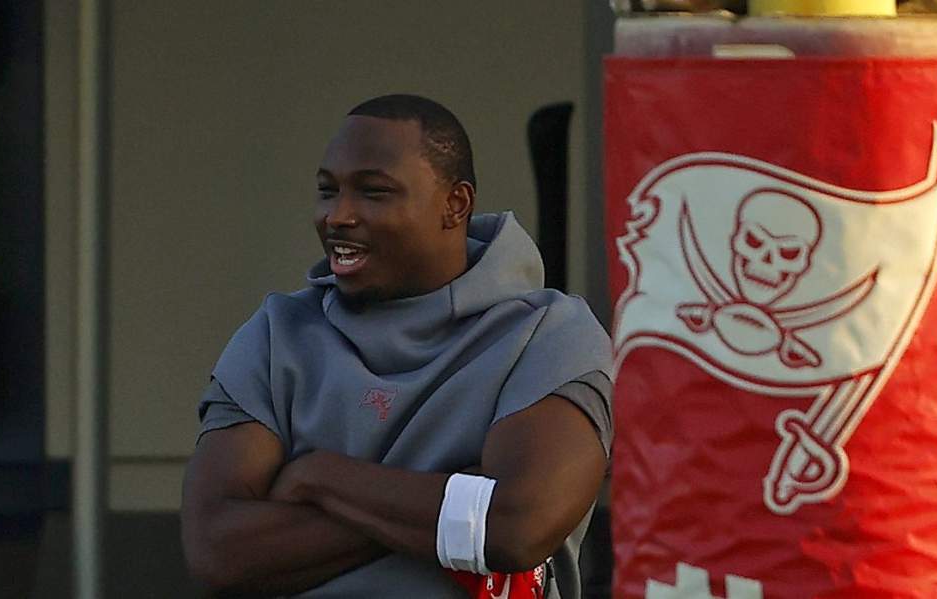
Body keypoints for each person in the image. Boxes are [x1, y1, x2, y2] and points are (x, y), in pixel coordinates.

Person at [180, 94, 613, 598]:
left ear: (455, 204)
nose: (338, 215)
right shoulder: (275, 335)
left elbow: (515, 528)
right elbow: (217, 550)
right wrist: (452, 499)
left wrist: (320, 477)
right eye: (327, 191)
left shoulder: (550, 335)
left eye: (374, 192)